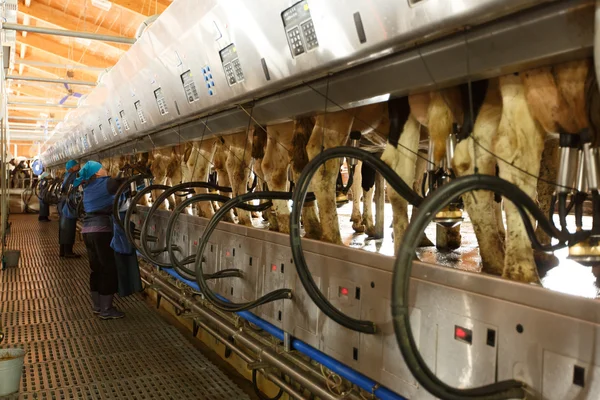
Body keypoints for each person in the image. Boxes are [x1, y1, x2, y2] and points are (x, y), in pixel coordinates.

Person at [74, 161, 127, 319]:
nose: (106, 169)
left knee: (96, 269)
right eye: (102, 168)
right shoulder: (106, 183)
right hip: (101, 231)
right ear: (97, 173)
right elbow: (125, 182)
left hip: (87, 231)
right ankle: (106, 310)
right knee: (108, 269)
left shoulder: (88, 186)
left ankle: (97, 306)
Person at [58, 160, 81, 258]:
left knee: (63, 228)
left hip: (64, 203)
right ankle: (68, 252)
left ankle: (62, 251)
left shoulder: (67, 175)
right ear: (72, 167)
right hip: (69, 204)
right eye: (77, 165)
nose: (79, 166)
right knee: (69, 228)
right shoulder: (75, 175)